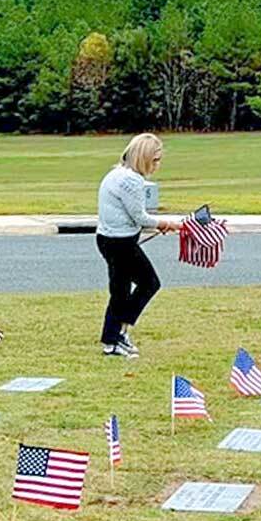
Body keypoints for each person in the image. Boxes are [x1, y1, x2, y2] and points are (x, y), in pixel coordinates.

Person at [95, 133, 182, 358]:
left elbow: (131, 216)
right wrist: (167, 223)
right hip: (120, 242)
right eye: (155, 160)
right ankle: (118, 335)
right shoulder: (132, 180)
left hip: (109, 238)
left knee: (120, 290)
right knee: (148, 283)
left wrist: (157, 225)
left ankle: (112, 339)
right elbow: (140, 217)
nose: (157, 165)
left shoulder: (115, 173)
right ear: (143, 158)